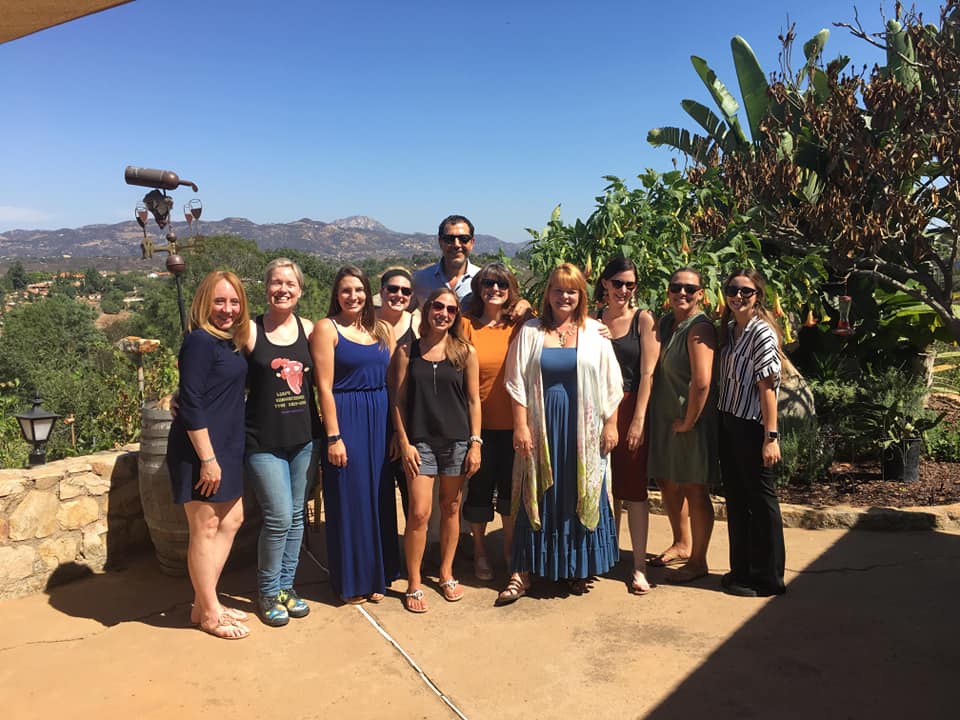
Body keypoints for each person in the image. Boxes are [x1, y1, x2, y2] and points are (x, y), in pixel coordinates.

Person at [497, 263, 622, 604]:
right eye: (558, 289)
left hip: (585, 429)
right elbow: (516, 382)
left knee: (577, 491)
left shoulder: (595, 332)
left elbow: (612, 382)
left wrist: (611, 424)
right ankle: (522, 572)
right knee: (535, 492)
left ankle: (575, 567)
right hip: (542, 426)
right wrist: (520, 426)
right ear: (548, 293)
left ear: (581, 295)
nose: (564, 296)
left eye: (571, 291)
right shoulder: (531, 331)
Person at [166, 271, 251, 639]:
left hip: (226, 445)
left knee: (232, 520)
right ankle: (210, 613)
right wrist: (207, 459)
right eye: (219, 301)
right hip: (201, 449)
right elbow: (191, 401)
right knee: (205, 528)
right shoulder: (200, 341)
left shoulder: (228, 342)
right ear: (204, 303)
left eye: (234, 302)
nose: (227, 309)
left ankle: (204, 603)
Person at [311, 266, 400, 605]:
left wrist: (397, 431)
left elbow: (394, 382)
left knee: (379, 496)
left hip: (380, 417)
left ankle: (379, 574)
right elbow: (323, 386)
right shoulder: (327, 328)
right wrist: (334, 437)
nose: (353, 296)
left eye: (359, 289)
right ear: (336, 294)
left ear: (368, 292)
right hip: (346, 418)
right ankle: (352, 580)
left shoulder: (383, 329)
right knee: (351, 500)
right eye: (346, 290)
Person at [392, 288, 482, 613]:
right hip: (420, 442)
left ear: (456, 316)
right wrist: (404, 442)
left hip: (457, 441)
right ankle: (415, 581)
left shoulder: (464, 352)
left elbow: (473, 401)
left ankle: (446, 573)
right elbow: (398, 401)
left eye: (451, 309)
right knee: (419, 512)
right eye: (438, 307)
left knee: (451, 507)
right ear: (428, 309)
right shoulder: (408, 351)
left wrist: (475, 442)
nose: (444, 313)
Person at [244, 258, 322, 626]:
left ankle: (286, 587)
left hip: (303, 440)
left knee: (296, 516)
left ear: (300, 290)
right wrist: (184, 395)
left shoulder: (309, 330)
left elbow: (327, 379)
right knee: (277, 517)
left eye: (290, 284)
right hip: (263, 442)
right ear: (266, 288)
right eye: (276, 282)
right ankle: (267, 591)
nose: (283, 289)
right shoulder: (250, 330)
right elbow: (220, 370)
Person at [717, 269, 787, 597]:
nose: (738, 296)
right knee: (737, 499)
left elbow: (767, 387)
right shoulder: (731, 330)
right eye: (733, 290)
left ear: (758, 296)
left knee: (760, 502)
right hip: (729, 421)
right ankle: (741, 571)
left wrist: (770, 438)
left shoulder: (761, 333)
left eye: (746, 291)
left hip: (752, 425)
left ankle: (769, 578)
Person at [647, 268, 719, 584]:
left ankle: (698, 560)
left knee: (694, 487)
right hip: (666, 420)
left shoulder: (699, 328)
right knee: (666, 481)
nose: (682, 293)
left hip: (690, 422)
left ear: (701, 293)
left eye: (690, 288)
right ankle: (681, 542)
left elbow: (702, 382)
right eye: (676, 287)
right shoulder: (667, 323)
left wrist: (689, 421)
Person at [460, 263, 531, 581]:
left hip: (516, 425)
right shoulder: (466, 324)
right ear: (478, 288)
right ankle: (480, 552)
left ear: (511, 289)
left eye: (502, 284)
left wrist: (526, 305)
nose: (495, 289)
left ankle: (510, 551)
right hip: (478, 427)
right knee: (478, 491)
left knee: (510, 495)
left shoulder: (521, 323)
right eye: (488, 283)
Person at [595, 257, 659, 595]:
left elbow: (648, 373)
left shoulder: (643, 319)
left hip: (632, 403)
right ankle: (607, 554)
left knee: (633, 489)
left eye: (630, 284)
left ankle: (638, 566)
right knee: (605, 486)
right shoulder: (593, 320)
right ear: (605, 283)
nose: (623, 290)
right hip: (599, 408)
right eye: (618, 283)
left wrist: (638, 419)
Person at [376, 267, 419, 516]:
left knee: (411, 493)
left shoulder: (418, 324)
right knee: (377, 489)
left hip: (408, 419)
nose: (399, 295)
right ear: (381, 291)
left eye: (405, 291)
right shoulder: (365, 324)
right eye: (393, 289)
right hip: (375, 414)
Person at [412, 214, 482, 308]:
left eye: (463, 239)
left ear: (472, 242)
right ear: (440, 242)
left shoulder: (483, 280)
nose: (456, 245)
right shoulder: (420, 279)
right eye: (449, 239)